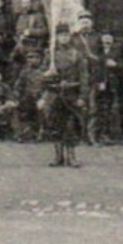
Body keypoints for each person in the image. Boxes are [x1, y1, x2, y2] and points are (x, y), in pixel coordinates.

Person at [40, 28, 90, 167]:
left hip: (71, 94)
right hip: (55, 94)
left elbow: (84, 77)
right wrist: (48, 74)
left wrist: (82, 96)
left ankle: (72, 157)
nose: (63, 38)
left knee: (71, 126)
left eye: (66, 35)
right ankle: (58, 156)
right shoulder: (50, 54)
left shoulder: (77, 54)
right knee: (55, 125)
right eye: (61, 35)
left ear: (70, 37)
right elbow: (42, 76)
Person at [93, 31, 122, 144]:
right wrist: (99, 81)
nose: (107, 41)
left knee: (110, 109)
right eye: (105, 39)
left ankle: (108, 134)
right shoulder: (97, 52)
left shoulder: (118, 52)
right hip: (100, 85)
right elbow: (95, 69)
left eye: (109, 39)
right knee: (100, 109)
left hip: (113, 84)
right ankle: (99, 134)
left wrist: (116, 65)